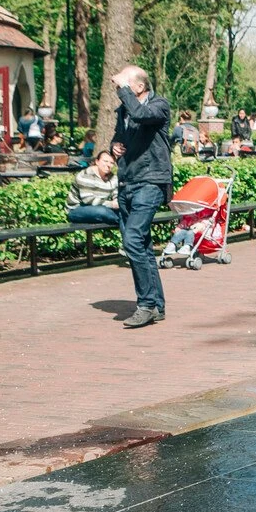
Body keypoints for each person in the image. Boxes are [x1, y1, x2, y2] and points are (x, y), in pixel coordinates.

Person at [109, 66, 172, 328]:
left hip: (151, 181)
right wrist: (113, 146)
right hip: (129, 182)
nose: (118, 88)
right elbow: (120, 137)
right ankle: (156, 305)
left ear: (138, 87)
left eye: (125, 83)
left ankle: (145, 304)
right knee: (143, 245)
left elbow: (140, 113)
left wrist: (122, 88)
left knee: (132, 239)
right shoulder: (124, 109)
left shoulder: (159, 105)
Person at [67, 150, 122, 225]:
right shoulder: (85, 175)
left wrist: (117, 201)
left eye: (111, 163)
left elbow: (116, 194)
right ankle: (124, 220)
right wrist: (111, 204)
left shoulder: (113, 178)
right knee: (102, 211)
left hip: (101, 207)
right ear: (97, 162)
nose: (108, 165)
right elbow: (88, 200)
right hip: (77, 209)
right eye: (105, 161)